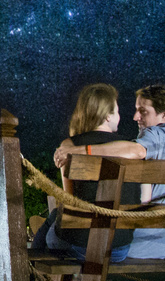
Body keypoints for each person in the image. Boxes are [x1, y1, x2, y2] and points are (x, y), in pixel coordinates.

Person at [51, 84, 165, 259]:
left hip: (133, 245)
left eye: (143, 111)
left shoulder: (152, 136)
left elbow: (137, 151)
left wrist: (81, 151)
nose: (135, 117)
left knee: (56, 217)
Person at [39, 83, 136, 262]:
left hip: (80, 246)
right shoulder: (131, 149)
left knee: (51, 224)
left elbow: (70, 200)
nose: (120, 116)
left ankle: (31, 273)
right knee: (54, 219)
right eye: (117, 111)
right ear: (107, 116)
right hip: (119, 249)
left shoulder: (69, 147)